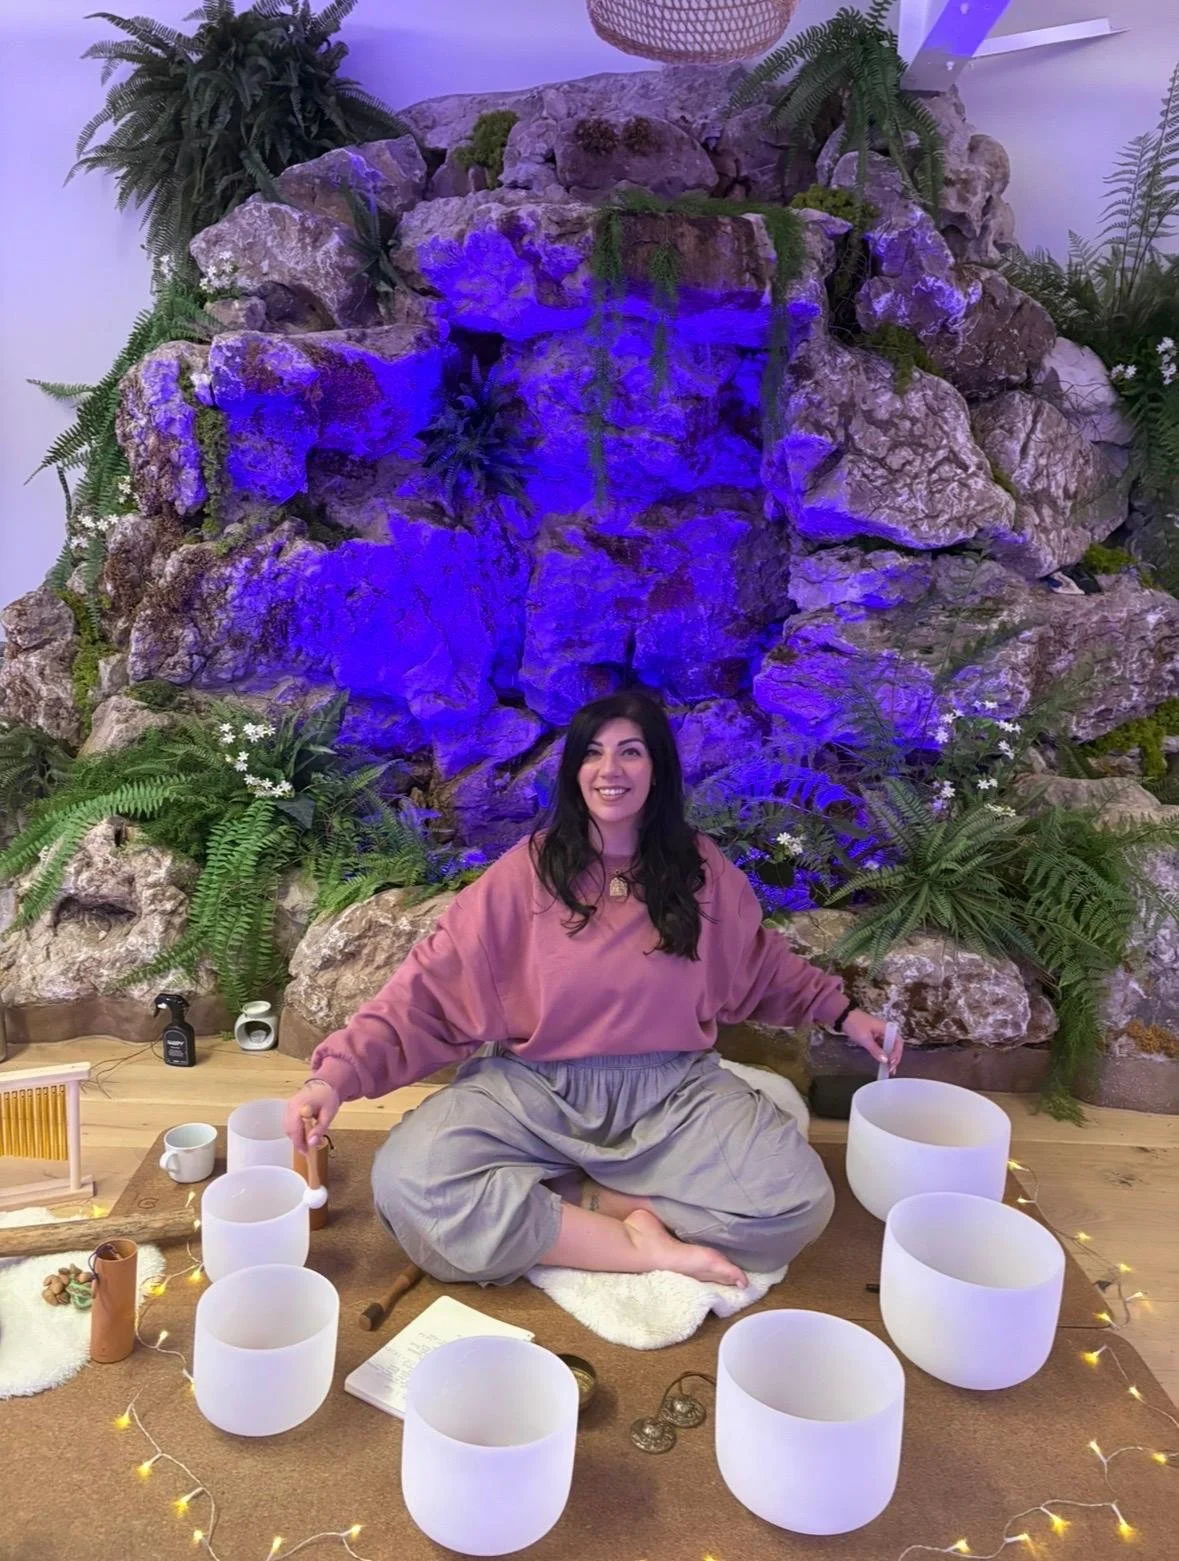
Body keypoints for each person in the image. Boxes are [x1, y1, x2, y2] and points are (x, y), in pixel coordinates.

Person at [283, 690, 900, 1289]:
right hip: (536, 1089)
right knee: (409, 1180)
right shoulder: (525, 872)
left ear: (657, 769)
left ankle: (585, 1203)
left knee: (796, 1203)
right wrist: (334, 1075)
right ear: (574, 771)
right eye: (592, 753)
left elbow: (760, 965)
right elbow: (428, 992)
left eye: (630, 752)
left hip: (671, 1093)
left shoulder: (702, 871)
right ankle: (635, 1244)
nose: (611, 769)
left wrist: (845, 1015)